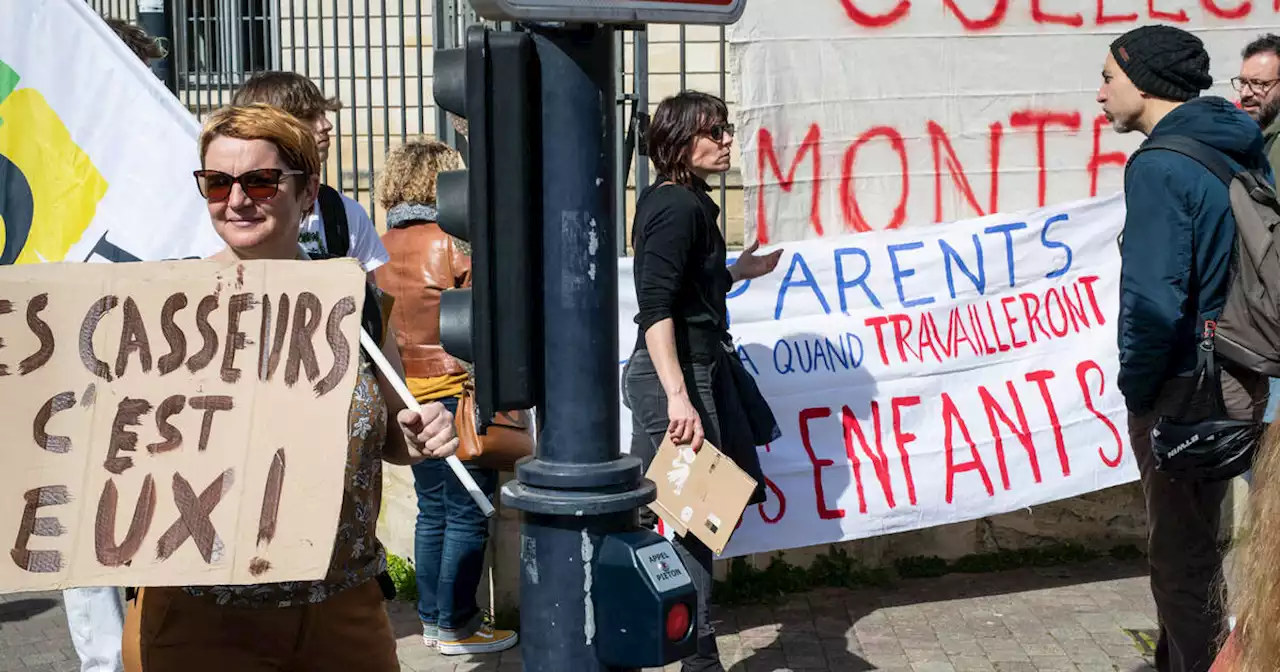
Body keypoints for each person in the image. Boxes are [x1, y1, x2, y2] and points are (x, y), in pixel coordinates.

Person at [121, 103, 459, 671]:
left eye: (260, 180)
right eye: (216, 182)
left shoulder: (356, 305)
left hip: (340, 613)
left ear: (307, 194)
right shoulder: (162, 312)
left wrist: (427, 430)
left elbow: (397, 437)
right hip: (200, 618)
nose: (236, 200)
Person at [1097, 25, 1270, 672]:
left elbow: (1153, 300)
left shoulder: (1160, 165)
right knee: (1201, 543)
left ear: (1145, 82)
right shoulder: (1234, 143)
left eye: (1108, 78)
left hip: (1184, 383)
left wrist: (1138, 391)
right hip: (1238, 370)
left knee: (1179, 561)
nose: (1099, 94)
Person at [622, 90, 783, 672]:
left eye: (727, 130)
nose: (726, 141)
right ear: (677, 140)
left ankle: (674, 643)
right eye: (713, 132)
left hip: (695, 370)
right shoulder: (676, 208)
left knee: (691, 515)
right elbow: (655, 311)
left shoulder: (684, 203)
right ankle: (697, 656)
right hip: (678, 375)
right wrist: (678, 398)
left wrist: (739, 270)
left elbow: (688, 295)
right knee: (690, 519)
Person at [372, 138, 516, 655]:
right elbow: (482, 319)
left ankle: (433, 620)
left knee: (432, 511)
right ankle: (458, 623)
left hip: (406, 401)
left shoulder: (377, 248)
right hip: (457, 396)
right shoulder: (457, 243)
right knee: (471, 511)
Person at [63, 17, 169, 672]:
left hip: (155, 373)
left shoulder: (161, 161)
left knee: (154, 519)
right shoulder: (46, 155)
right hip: (69, 379)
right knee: (82, 530)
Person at [231, 71, 389, 277]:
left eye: (323, 113)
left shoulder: (343, 213)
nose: (326, 125)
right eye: (308, 116)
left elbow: (371, 302)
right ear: (268, 125)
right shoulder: (229, 213)